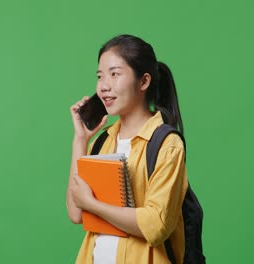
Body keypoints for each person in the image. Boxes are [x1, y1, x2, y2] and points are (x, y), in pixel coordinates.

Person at [67, 34, 188, 264]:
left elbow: (156, 225)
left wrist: (93, 204)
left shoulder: (166, 144)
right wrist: (80, 140)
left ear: (144, 81)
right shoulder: (103, 142)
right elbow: (76, 213)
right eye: (100, 76)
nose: (104, 86)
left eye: (115, 74)